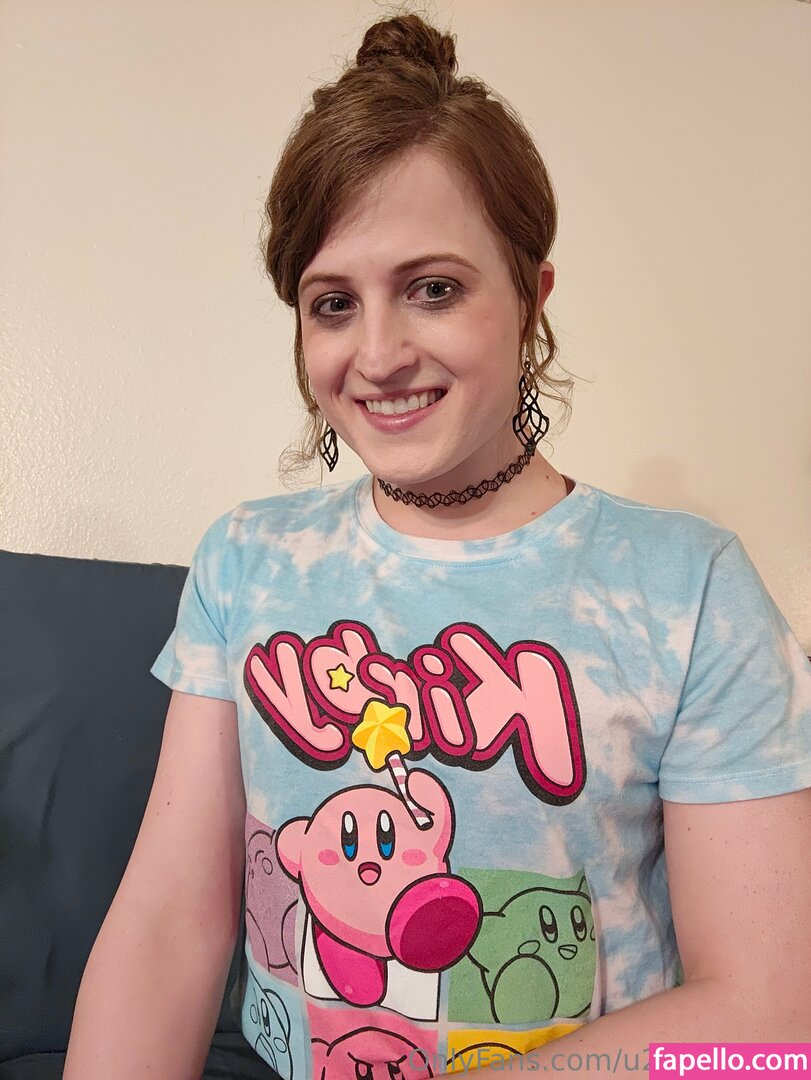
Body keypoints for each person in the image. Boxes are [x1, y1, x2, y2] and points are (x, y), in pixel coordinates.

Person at [64, 12, 811, 1080]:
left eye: (434, 289)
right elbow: (168, 926)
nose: (378, 354)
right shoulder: (247, 561)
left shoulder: (688, 587)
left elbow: (774, 1022)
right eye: (333, 303)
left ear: (529, 298)